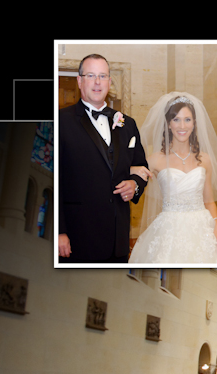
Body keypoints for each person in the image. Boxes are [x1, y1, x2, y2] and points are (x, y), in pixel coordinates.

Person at [58, 54, 148, 263]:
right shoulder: (61, 121)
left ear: (109, 81)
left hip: (117, 241)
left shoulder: (128, 124)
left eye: (103, 76)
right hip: (76, 238)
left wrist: (134, 185)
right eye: (91, 75)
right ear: (80, 81)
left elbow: (141, 166)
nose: (97, 82)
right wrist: (59, 231)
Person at [128, 91, 217, 264]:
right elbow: (132, 175)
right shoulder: (155, 160)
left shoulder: (205, 160)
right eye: (176, 119)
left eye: (187, 119)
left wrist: (216, 229)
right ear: (169, 124)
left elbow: (209, 201)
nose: (182, 126)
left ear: (194, 123)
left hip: (202, 229)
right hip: (168, 230)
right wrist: (131, 170)